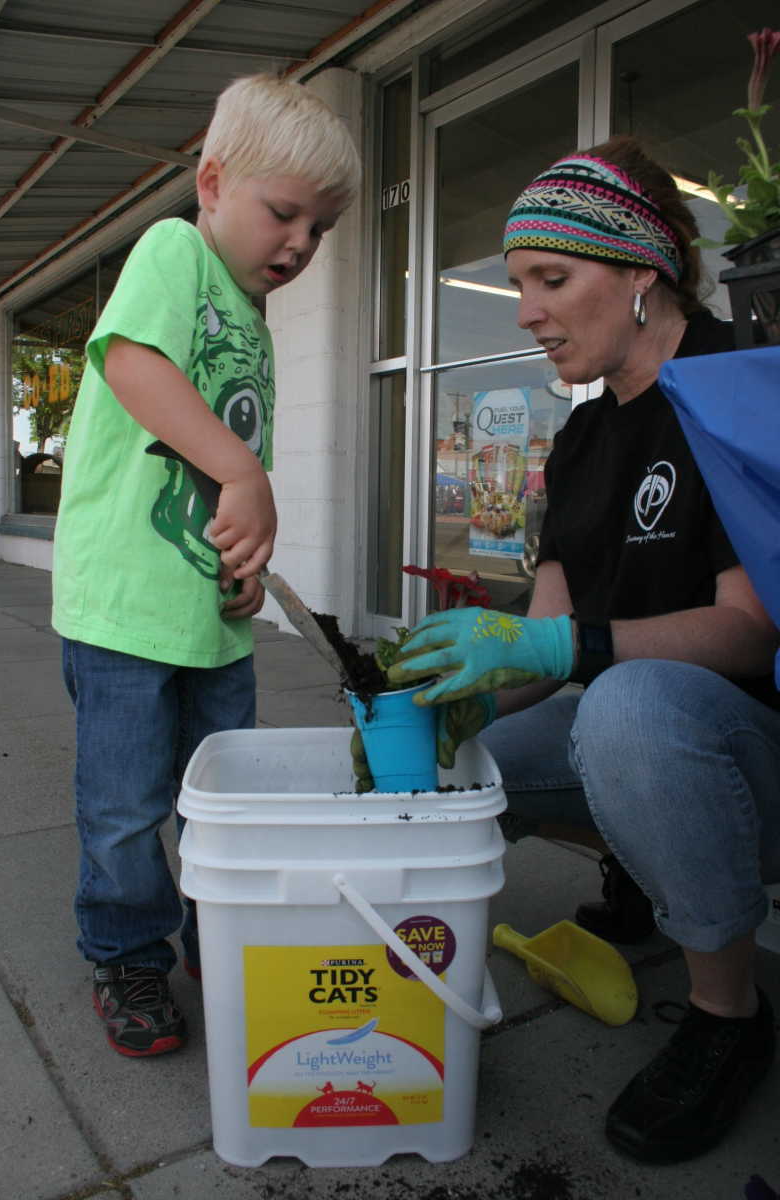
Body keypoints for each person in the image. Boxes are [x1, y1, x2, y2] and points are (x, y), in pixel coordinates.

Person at [387, 137, 780, 1164]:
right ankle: (635, 880)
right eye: (519, 283)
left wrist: (562, 643)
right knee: (445, 766)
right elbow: (544, 640)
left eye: (550, 280)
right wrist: (457, 697)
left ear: (641, 271)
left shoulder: (738, 387)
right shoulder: (580, 440)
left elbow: (750, 632)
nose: (525, 311)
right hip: (645, 742)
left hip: (749, 751)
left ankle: (728, 1013)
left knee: (628, 705)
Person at [52, 74, 361, 1057]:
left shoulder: (251, 319)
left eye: (320, 229)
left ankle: (213, 931)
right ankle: (128, 953)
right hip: (123, 614)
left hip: (211, 622)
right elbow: (131, 364)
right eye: (284, 213)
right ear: (214, 183)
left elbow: (227, 467)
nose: (300, 244)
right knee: (125, 807)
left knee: (222, 797)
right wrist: (240, 471)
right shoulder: (172, 252)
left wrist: (245, 562)